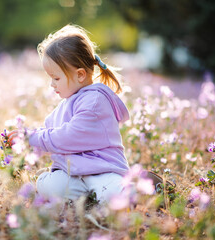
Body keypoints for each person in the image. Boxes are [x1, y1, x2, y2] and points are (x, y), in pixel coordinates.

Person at [9, 24, 130, 204]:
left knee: (114, 195)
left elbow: (68, 137)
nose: (52, 84)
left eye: (56, 78)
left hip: (104, 171)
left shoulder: (95, 101)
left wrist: (31, 137)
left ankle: (140, 186)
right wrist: (22, 144)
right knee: (49, 188)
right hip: (74, 174)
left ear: (80, 75)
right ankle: (86, 196)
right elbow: (49, 137)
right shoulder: (64, 106)